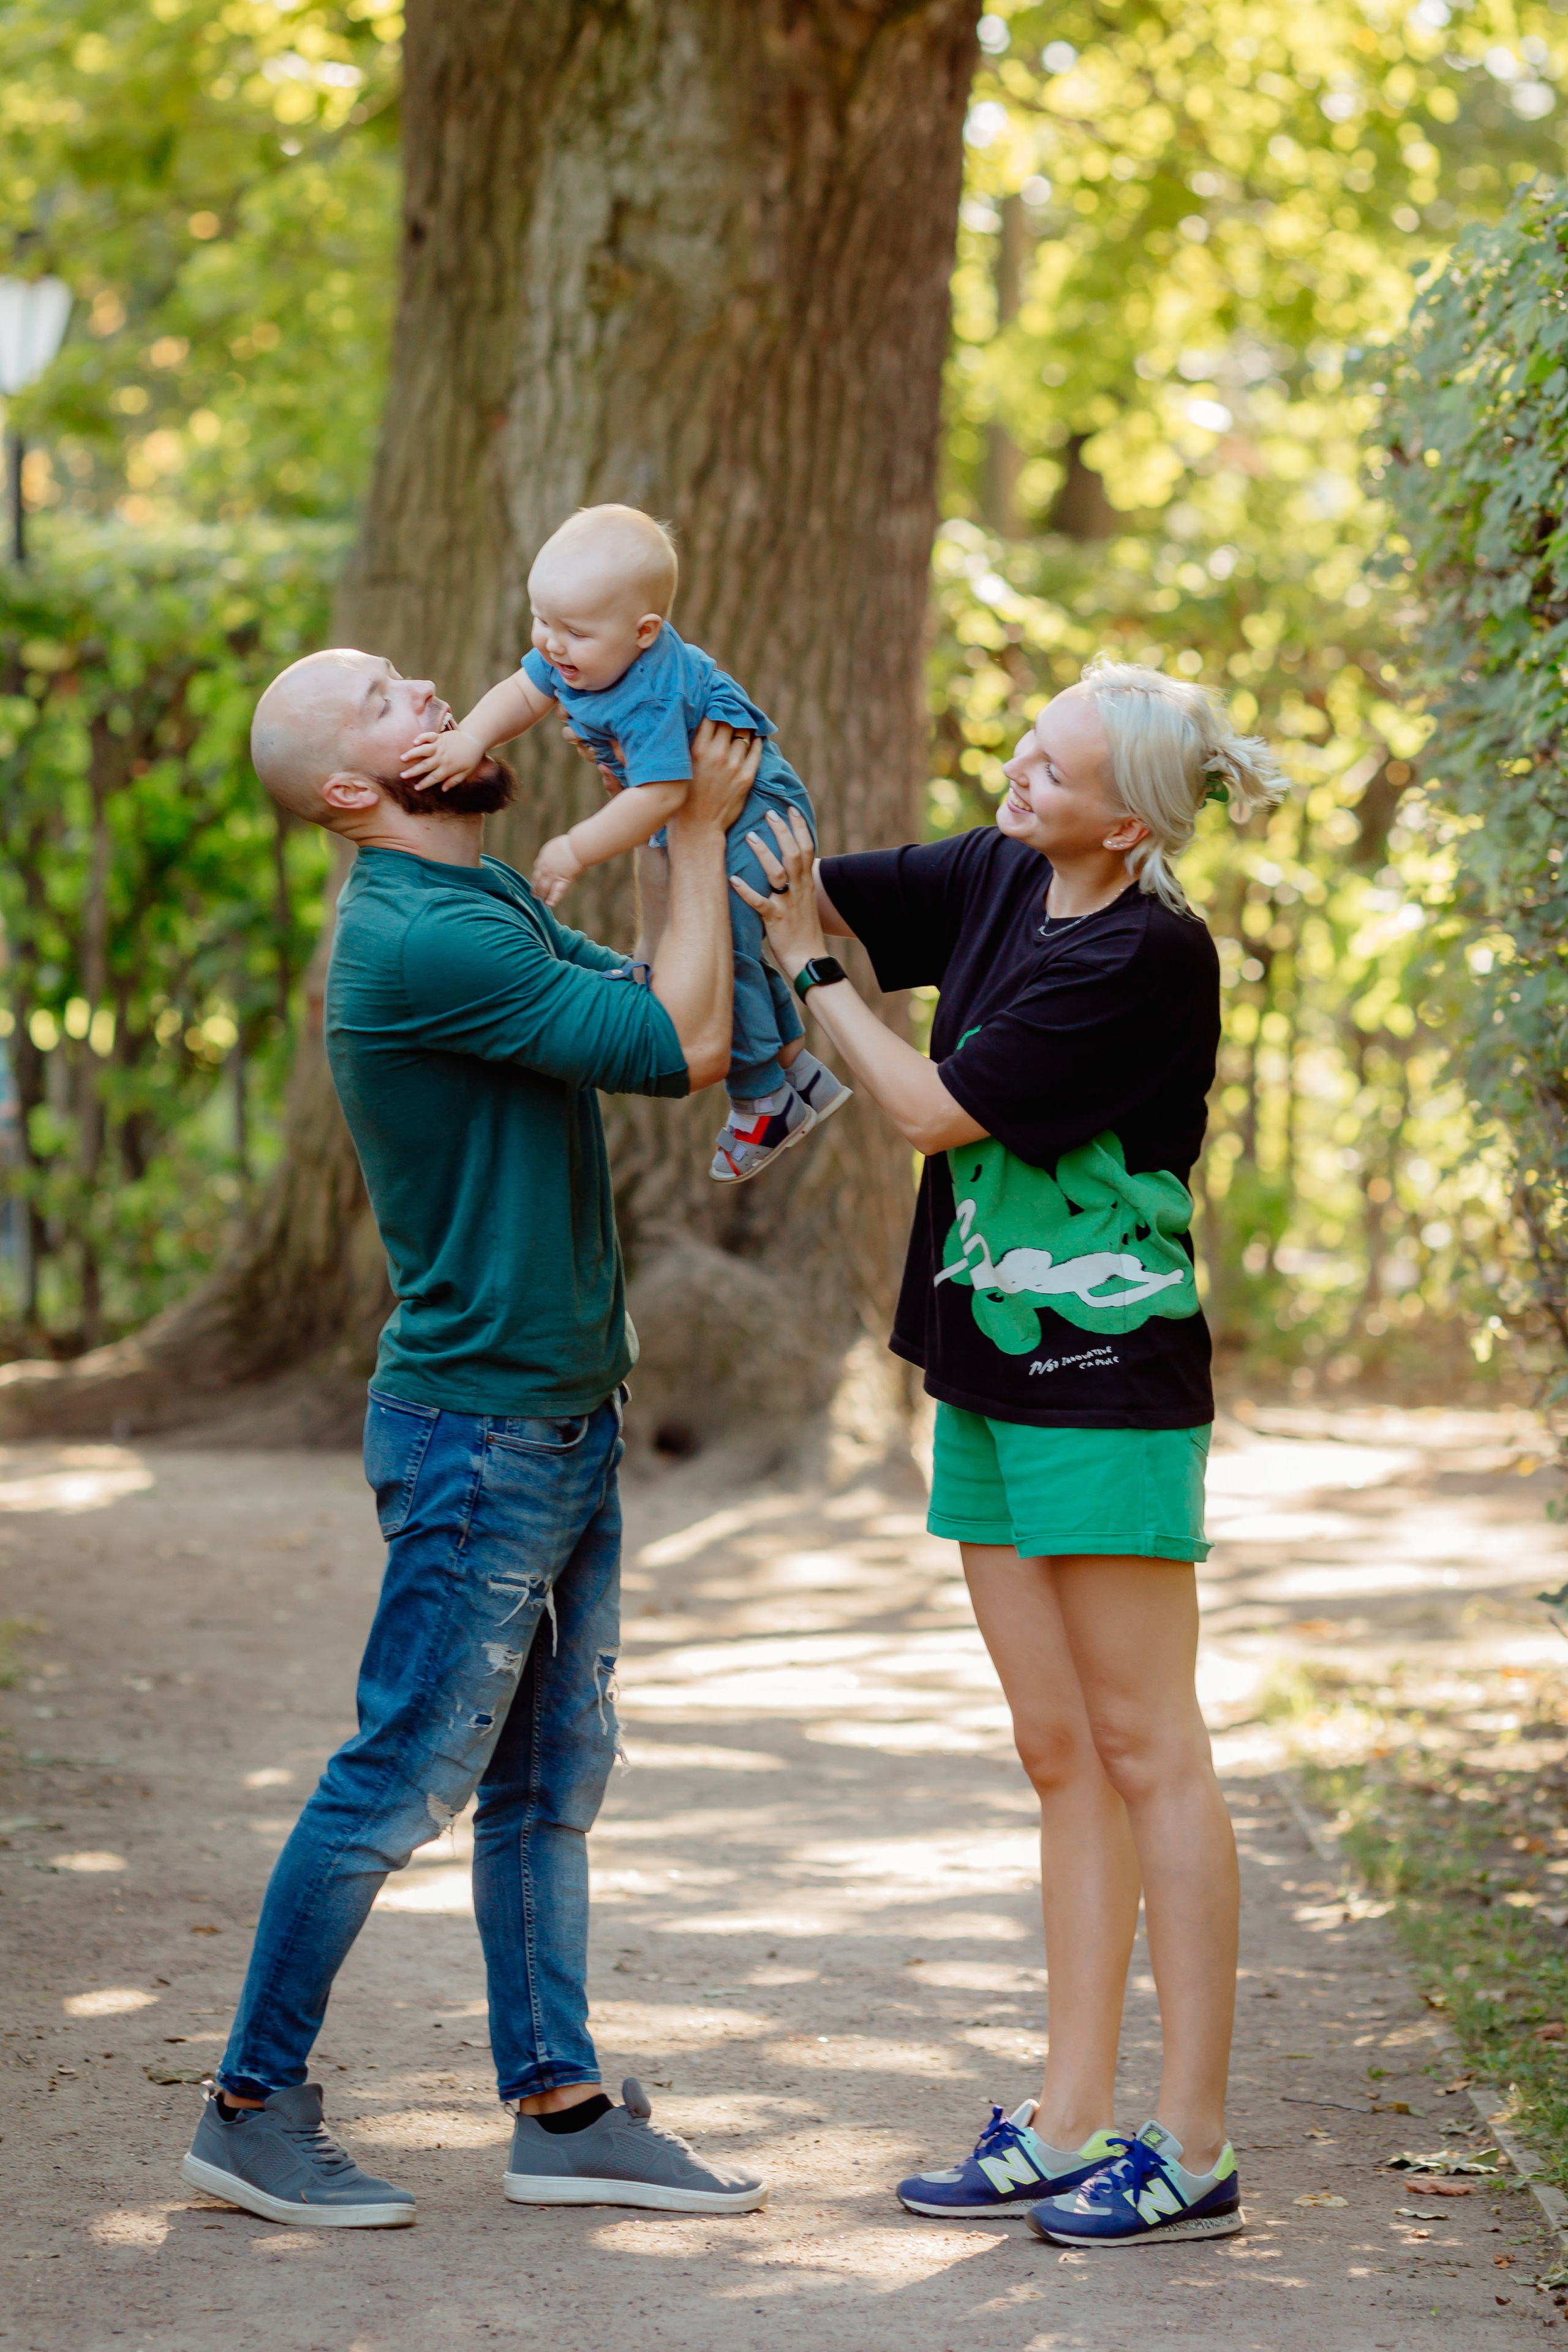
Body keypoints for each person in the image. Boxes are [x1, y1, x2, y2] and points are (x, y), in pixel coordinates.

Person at [180, 648, 771, 2228]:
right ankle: (249, 2103)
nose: (432, 688)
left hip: (555, 1415)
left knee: (545, 1779)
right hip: (478, 1435)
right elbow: (683, 1047)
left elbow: (647, 1001)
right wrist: (695, 832)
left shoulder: (483, 896)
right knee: (401, 1772)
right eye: (384, 698)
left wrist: (658, 829)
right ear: (352, 793)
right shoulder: (418, 934)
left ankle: (561, 2107)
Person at [731, 655, 1283, 2249]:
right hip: (981, 1364)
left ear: (1129, 822)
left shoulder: (1149, 956)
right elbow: (802, 871)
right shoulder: (998, 874)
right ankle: (1064, 2122)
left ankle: (1192, 2147)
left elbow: (924, 1107)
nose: (1018, 781)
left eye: (1054, 772)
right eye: (1025, 753)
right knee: (1056, 1753)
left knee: (1145, 1746)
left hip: (1106, 1381)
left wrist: (814, 978)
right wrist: (685, 785)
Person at [399, 502, 851, 1183]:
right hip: (707, 804)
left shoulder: (648, 697)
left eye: (572, 632)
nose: (550, 645)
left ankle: (761, 1098)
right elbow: (525, 692)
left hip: (754, 808)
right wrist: (471, 738)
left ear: (644, 632)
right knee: (730, 937)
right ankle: (798, 1071)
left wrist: (578, 848)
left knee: (723, 948)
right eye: (541, 620)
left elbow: (667, 798)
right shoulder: (577, 656)